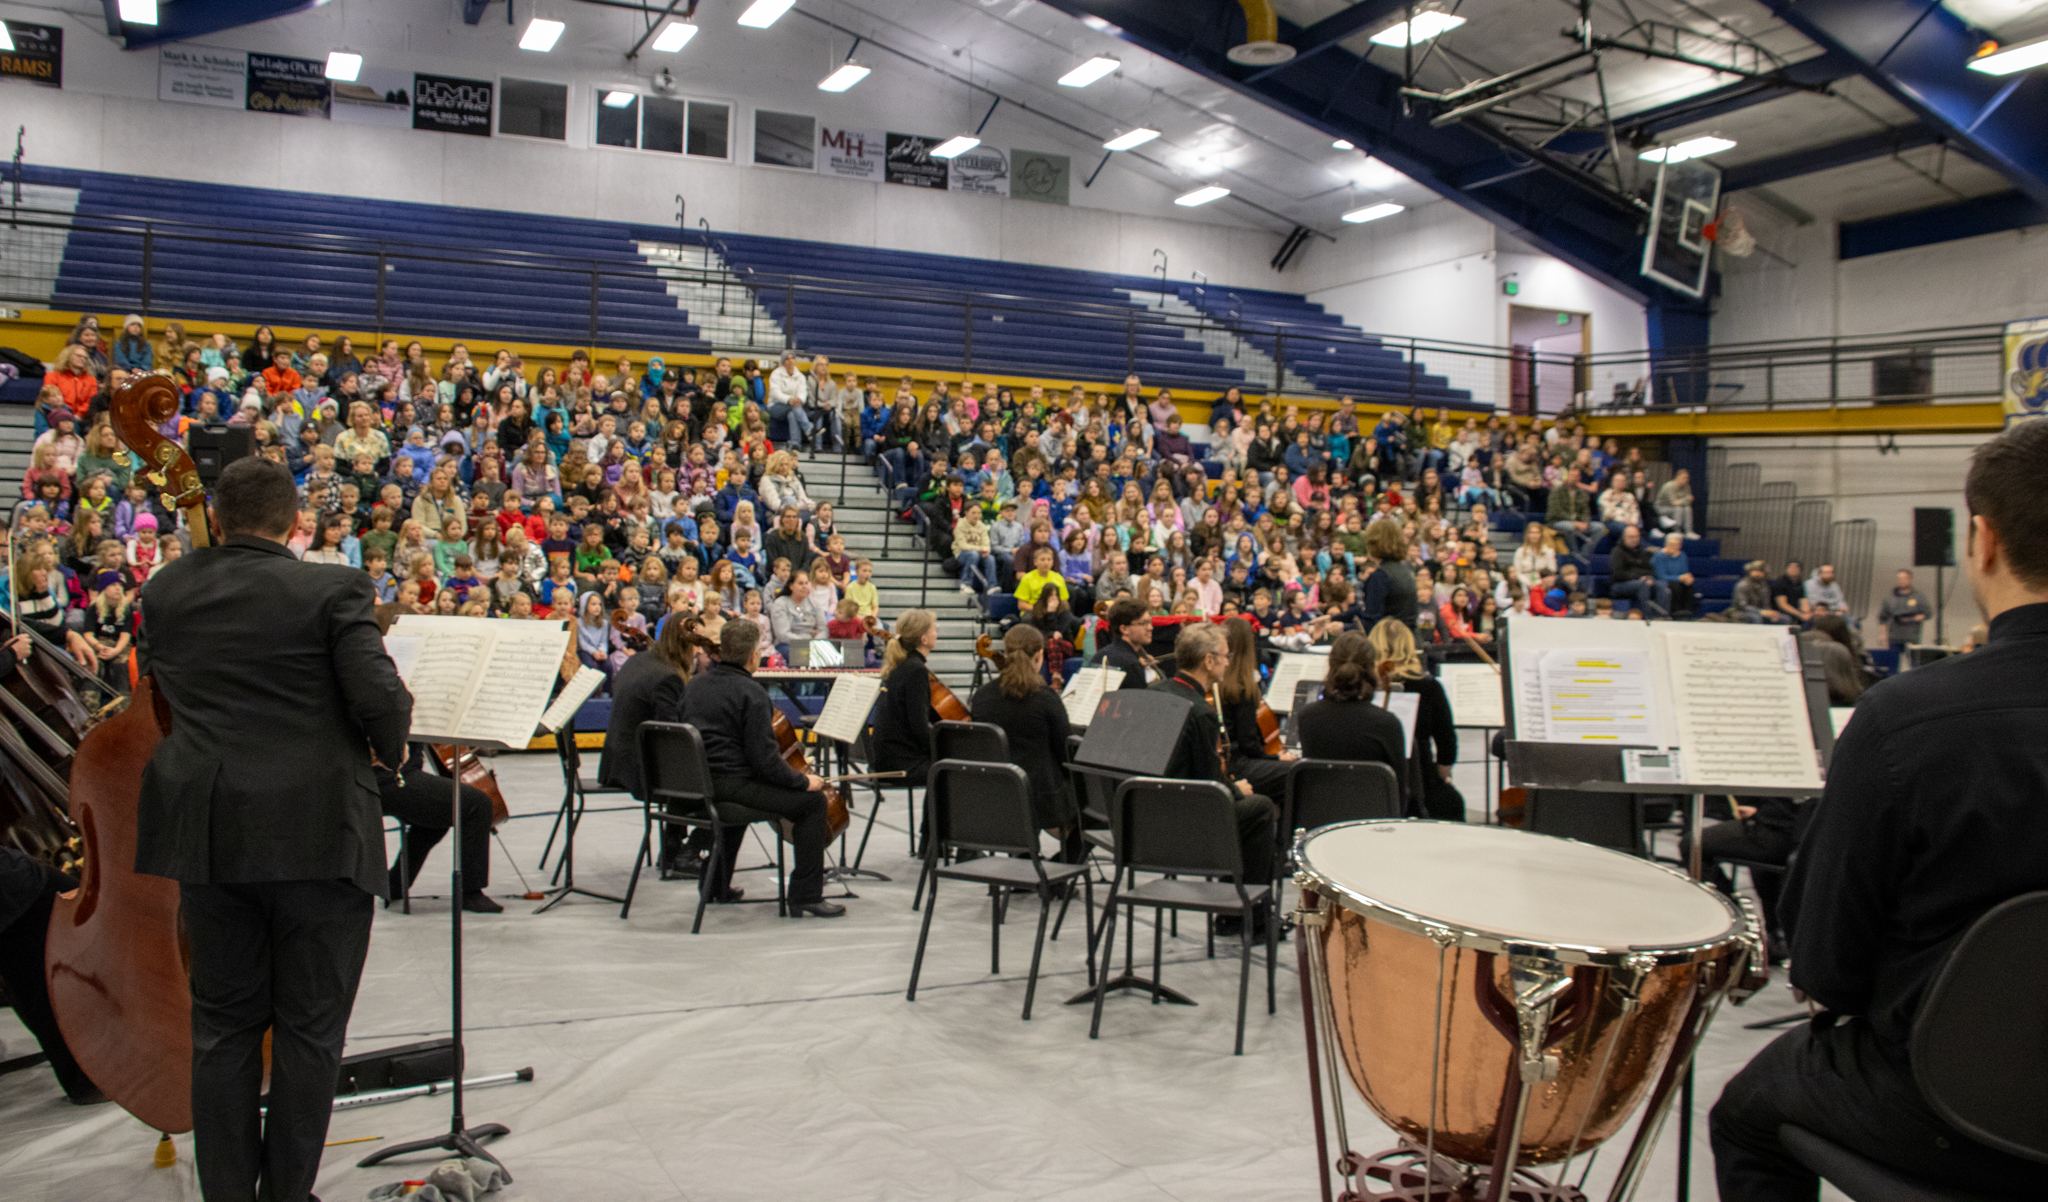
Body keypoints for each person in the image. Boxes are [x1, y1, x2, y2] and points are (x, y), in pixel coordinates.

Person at [1711, 421, 2048, 1200]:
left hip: (1948, 1107)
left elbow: (1829, 966)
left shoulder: (1904, 722)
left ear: (1983, 541)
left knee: (1746, 1119)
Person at [134, 457, 411, 1202]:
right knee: (310, 1031)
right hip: (318, 833)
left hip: (211, 834)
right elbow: (379, 701)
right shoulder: (332, 587)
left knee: (222, 1029)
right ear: (296, 524)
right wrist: (392, 740)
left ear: (216, 519)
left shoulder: (164, 591)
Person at [678, 618, 843, 917]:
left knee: (746, 791)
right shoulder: (751, 693)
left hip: (695, 785)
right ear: (754, 654)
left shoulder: (695, 686)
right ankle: (806, 895)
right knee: (812, 804)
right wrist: (804, 782)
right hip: (728, 786)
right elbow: (766, 764)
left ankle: (715, 885)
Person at [1147, 623, 1275, 935]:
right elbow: (1211, 789)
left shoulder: (1155, 692)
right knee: (1260, 808)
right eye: (1224, 655)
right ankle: (1250, 918)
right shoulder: (1201, 712)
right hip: (1185, 823)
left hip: (1148, 815)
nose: (1229, 661)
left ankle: (1232, 912)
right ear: (1208, 660)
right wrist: (1236, 788)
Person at [968, 624, 1078, 844]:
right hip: (1041, 800)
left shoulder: (981, 697)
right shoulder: (1045, 698)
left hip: (995, 796)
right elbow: (1066, 754)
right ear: (1039, 656)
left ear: (1006, 653)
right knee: (1098, 816)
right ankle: (1062, 869)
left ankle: (1025, 856)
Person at [376, 742, 501, 913]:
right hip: (388, 776)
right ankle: (471, 893)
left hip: (392, 774)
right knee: (477, 804)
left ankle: (396, 884)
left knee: (438, 812)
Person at [1367, 618, 1459, 820]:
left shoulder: (1363, 685)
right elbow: (1446, 738)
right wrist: (1442, 773)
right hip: (1419, 777)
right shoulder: (1427, 686)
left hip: (1368, 777)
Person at [1294, 629, 1406, 772]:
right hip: (1370, 795)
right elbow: (1398, 789)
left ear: (1331, 665)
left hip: (1324, 794)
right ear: (1371, 668)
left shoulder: (1307, 716)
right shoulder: (1387, 723)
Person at [1216, 616, 1293, 796]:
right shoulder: (1242, 688)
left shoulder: (1216, 683)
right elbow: (1248, 745)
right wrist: (1277, 758)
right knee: (1294, 771)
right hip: (1239, 764)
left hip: (1225, 760)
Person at [871, 609, 942, 788]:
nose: (937, 632)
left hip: (887, 759)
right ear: (923, 639)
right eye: (934, 629)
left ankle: (931, 817)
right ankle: (932, 817)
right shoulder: (915, 670)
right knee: (959, 769)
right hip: (902, 764)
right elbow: (919, 727)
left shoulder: (899, 664)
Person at [1090, 597, 1155, 691]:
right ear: (1124, 629)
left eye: (1149, 622)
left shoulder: (1099, 655)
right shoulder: (1131, 665)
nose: (1150, 628)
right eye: (1144, 623)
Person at [1607, 524, 1669, 617]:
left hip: (1642, 581)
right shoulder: (1617, 552)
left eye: (1637, 536)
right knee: (1643, 585)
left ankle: (1661, 617)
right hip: (1620, 585)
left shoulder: (1644, 551)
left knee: (1663, 586)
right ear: (1624, 537)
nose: (1634, 539)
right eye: (1631, 537)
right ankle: (1647, 616)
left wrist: (1649, 577)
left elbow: (1650, 569)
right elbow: (1618, 574)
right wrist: (1641, 578)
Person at [1877, 568, 1929, 653]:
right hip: (1894, 637)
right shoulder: (1890, 598)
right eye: (1900, 578)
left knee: (1913, 663)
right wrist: (1882, 636)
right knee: (1893, 662)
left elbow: (1927, 613)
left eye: (1904, 578)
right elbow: (1883, 618)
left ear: (1910, 579)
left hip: (1912, 637)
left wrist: (1912, 618)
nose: (1902, 581)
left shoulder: (1919, 597)